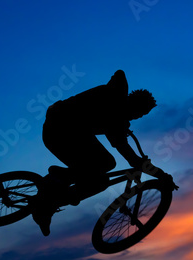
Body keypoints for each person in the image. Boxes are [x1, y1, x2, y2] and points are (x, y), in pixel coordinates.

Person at [32, 69, 175, 236]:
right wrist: (160, 175)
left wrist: (154, 171)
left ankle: (50, 203)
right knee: (106, 163)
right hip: (61, 128)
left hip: (58, 133)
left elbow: (119, 76)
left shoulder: (118, 116)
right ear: (134, 104)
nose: (138, 117)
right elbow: (130, 157)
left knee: (99, 181)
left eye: (142, 115)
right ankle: (57, 177)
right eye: (140, 112)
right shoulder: (116, 110)